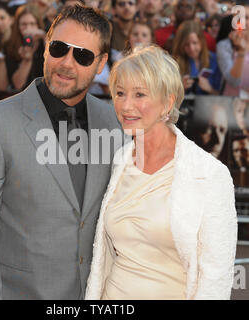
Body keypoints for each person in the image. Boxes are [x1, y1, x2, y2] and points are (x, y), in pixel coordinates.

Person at [0, 4, 122, 300]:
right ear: (45, 48)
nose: (67, 63)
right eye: (59, 48)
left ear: (101, 64)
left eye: (83, 55)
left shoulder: (115, 123)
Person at [85, 45, 237, 300]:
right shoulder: (120, 160)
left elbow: (216, 276)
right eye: (120, 93)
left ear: (167, 102)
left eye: (140, 94)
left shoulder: (208, 174)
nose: (126, 105)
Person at [172, 20, 221, 95]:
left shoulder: (214, 60)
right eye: (186, 44)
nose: (191, 48)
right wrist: (181, 89)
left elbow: (223, 96)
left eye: (195, 43)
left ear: (201, 41)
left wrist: (209, 89)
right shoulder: (174, 63)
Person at [5, 4, 45, 90]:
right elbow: (17, 85)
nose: (28, 28)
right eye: (24, 24)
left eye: (32, 23)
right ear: (17, 26)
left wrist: (44, 36)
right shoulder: (11, 47)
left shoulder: (45, 43)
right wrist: (27, 60)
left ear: (38, 24)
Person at [216, 6, 249, 97]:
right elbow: (233, 81)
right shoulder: (225, 45)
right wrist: (241, 52)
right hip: (231, 102)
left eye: (246, 18)